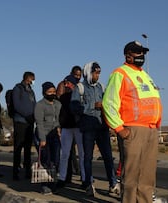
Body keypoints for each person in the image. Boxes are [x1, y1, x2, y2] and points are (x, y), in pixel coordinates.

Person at [102, 41, 162, 203]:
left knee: (147, 176)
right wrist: (120, 129)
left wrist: (156, 126)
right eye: (137, 52)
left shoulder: (145, 75)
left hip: (150, 130)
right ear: (128, 55)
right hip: (133, 131)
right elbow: (109, 103)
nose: (141, 56)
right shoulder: (120, 73)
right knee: (131, 174)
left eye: (143, 53)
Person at [70, 61, 119, 197]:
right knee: (87, 158)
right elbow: (74, 108)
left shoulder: (101, 87)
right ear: (88, 72)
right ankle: (88, 184)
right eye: (95, 72)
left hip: (102, 127)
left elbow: (108, 104)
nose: (97, 75)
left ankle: (113, 183)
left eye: (98, 73)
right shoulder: (79, 88)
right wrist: (92, 105)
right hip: (88, 128)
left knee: (108, 158)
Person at [57, 74, 85, 189]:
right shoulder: (63, 98)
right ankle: (62, 178)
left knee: (83, 154)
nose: (66, 85)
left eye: (68, 83)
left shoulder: (81, 97)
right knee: (64, 154)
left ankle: (85, 179)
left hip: (79, 128)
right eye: (65, 83)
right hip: (66, 128)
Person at [34, 82, 61, 194]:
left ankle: (52, 182)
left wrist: (59, 129)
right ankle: (44, 185)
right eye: (49, 92)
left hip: (54, 135)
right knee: (45, 160)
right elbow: (39, 123)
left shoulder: (58, 104)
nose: (52, 94)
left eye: (54, 92)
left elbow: (59, 119)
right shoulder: (40, 105)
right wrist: (42, 139)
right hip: (43, 135)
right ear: (44, 93)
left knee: (55, 160)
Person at [12, 71, 36, 181]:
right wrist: (26, 116)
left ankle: (27, 171)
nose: (33, 81)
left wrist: (34, 116)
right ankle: (15, 171)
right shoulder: (18, 89)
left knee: (27, 148)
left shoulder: (31, 91)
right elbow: (17, 105)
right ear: (28, 78)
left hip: (30, 123)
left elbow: (34, 104)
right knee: (18, 147)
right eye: (32, 79)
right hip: (20, 121)